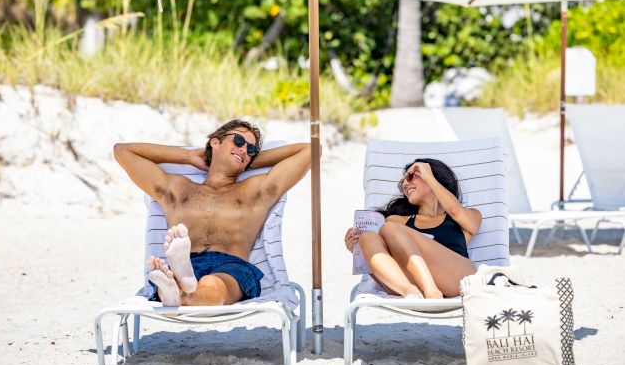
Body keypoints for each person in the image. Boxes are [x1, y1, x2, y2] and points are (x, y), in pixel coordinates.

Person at [114, 119, 311, 307]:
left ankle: (180, 290)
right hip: (188, 260)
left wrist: (246, 160)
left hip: (232, 265)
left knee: (213, 285)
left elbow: (310, 150)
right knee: (177, 282)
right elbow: (122, 151)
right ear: (215, 142)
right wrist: (189, 156)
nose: (244, 149)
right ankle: (182, 282)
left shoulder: (255, 191)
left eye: (251, 150)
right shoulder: (179, 188)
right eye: (239, 141)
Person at [344, 159, 480, 299]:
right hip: (410, 285)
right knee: (368, 237)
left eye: (411, 176)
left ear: (433, 176)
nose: (404, 184)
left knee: (390, 229)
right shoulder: (396, 221)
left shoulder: (468, 217)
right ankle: (411, 292)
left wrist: (429, 177)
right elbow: (382, 259)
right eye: (403, 181)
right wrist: (358, 249)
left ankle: (431, 292)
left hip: (456, 278)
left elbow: (454, 211)